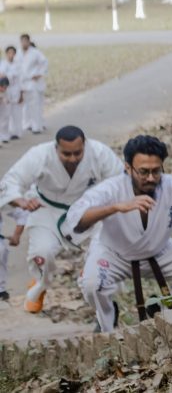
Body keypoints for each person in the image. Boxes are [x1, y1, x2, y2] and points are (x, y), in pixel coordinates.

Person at [66, 135, 172, 333]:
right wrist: (116, 207)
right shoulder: (111, 188)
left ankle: (170, 315)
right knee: (92, 284)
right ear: (128, 168)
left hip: (159, 250)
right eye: (143, 172)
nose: (151, 178)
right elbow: (76, 218)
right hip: (113, 253)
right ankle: (107, 323)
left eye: (156, 171)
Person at [0, 125, 123, 312]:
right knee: (42, 252)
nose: (72, 158)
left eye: (77, 153)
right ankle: (40, 284)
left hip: (87, 210)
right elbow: (12, 180)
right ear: (56, 147)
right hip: (47, 209)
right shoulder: (40, 155)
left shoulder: (99, 153)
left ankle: (95, 284)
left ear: (85, 145)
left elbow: (119, 181)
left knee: (103, 249)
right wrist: (20, 201)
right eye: (66, 154)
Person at [17, 35, 47, 134]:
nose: (24, 43)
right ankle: (26, 124)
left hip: (33, 82)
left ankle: (36, 126)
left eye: (26, 41)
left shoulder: (35, 52)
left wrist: (39, 73)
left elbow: (44, 62)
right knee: (24, 105)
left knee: (34, 105)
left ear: (29, 41)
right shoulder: (18, 53)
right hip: (22, 82)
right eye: (22, 41)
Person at [0, 205, 28, 301]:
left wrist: (16, 236)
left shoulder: (4, 200)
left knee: (1, 250)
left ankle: (0, 289)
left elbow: (23, 214)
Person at [0, 46, 23, 139]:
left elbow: (20, 80)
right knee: (5, 115)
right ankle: (3, 135)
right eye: (9, 53)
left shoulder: (18, 65)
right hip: (5, 92)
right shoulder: (3, 64)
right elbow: (2, 78)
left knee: (16, 113)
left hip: (15, 91)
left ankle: (16, 132)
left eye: (12, 53)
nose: (11, 55)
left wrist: (21, 94)